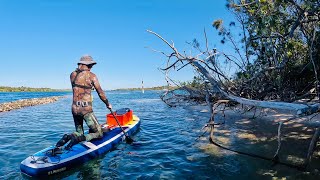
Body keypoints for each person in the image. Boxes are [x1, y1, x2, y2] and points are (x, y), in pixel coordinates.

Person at [55, 55, 112, 150]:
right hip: (85, 110)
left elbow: (80, 85)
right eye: (91, 66)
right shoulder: (92, 76)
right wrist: (107, 104)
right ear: (87, 65)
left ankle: (68, 137)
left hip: (74, 109)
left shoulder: (72, 74)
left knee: (79, 131)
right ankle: (80, 139)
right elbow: (101, 93)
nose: (91, 67)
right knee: (99, 133)